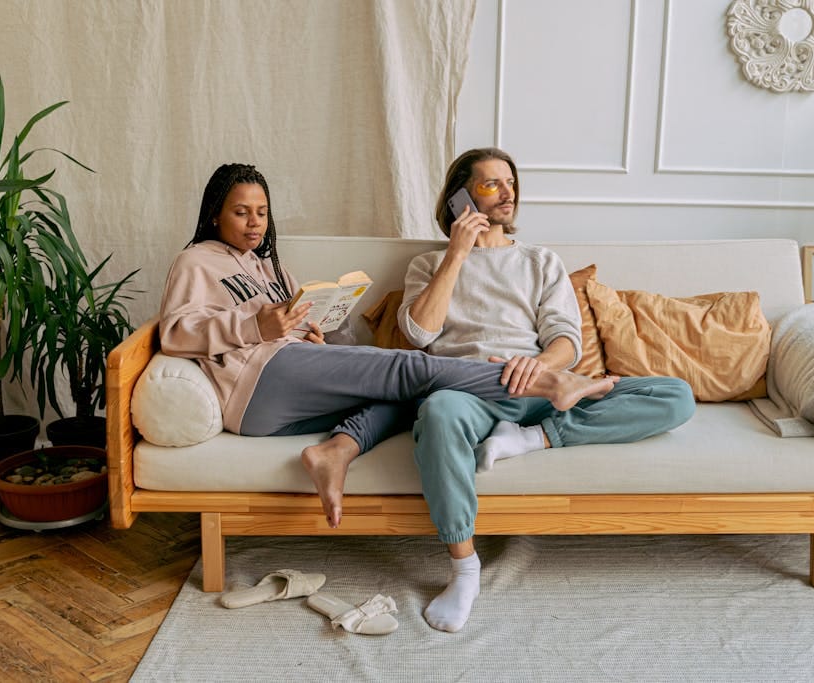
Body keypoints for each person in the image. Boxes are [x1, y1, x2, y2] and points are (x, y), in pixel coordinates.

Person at [158, 163, 618, 529]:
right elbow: (175, 333)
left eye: (261, 212)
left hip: (283, 392)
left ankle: (335, 451)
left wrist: (317, 333)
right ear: (215, 214)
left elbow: (294, 326)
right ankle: (550, 384)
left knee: (409, 395)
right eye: (241, 212)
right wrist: (256, 326)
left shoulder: (270, 267)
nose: (254, 222)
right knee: (410, 367)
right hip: (255, 379)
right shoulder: (196, 261)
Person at [397, 148, 696, 633]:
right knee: (436, 413)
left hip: (540, 389)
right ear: (459, 199)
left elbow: (566, 342)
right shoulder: (428, 264)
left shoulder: (540, 261)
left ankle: (530, 438)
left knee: (675, 395)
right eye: (491, 184)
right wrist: (457, 254)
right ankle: (465, 569)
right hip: (468, 392)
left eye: (510, 182)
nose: (507, 192)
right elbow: (418, 334)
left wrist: (536, 367)